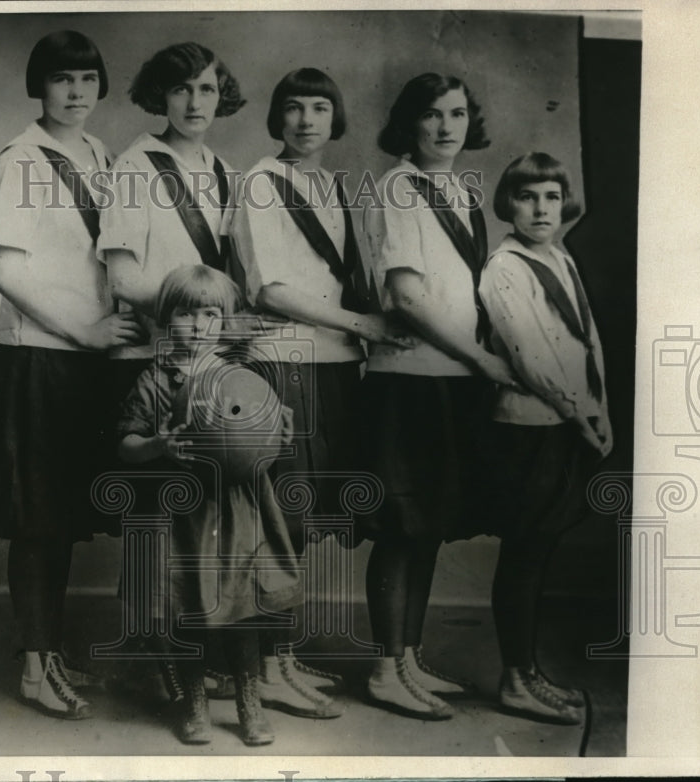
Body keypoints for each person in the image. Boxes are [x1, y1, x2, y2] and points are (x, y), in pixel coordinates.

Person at [0, 30, 143, 720]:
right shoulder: (21, 159)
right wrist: (85, 330)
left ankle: (50, 653)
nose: (77, 93)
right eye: (63, 80)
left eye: (88, 80)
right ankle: (35, 668)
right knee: (38, 522)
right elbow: (5, 271)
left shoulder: (97, 154)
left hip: (84, 365)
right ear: (39, 87)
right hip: (39, 358)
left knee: (62, 518)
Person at [230, 67, 412, 720]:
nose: (307, 121)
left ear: (336, 120)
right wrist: (363, 325)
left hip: (333, 366)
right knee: (279, 520)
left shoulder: (333, 184)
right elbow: (269, 290)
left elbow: (344, 281)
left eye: (319, 109)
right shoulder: (260, 182)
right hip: (284, 363)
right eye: (294, 109)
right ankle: (266, 665)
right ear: (276, 118)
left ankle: (279, 656)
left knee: (302, 522)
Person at [359, 72, 518, 719]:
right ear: (409, 123)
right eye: (432, 115)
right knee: (402, 526)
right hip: (410, 380)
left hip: (448, 379)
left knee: (426, 525)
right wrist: (478, 355)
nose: (447, 127)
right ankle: (383, 668)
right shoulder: (398, 188)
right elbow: (405, 296)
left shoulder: (457, 188)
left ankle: (409, 656)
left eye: (457, 113)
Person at [97, 40, 246, 701]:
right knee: (155, 522)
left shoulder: (222, 169)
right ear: (160, 95)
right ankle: (156, 655)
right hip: (153, 359)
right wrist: (189, 312)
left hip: (206, 359)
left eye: (207, 90)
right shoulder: (134, 166)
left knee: (206, 524)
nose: (194, 103)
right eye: (182, 89)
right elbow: (124, 275)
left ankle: (197, 653)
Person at [117, 264, 301, 746]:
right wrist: (158, 446)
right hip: (178, 517)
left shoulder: (240, 379)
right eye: (185, 313)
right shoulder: (153, 381)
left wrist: (276, 437)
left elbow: (261, 448)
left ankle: (249, 702)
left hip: (234, 514)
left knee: (241, 612)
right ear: (164, 318)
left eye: (211, 314)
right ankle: (194, 703)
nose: (198, 325)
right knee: (188, 612)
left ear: (225, 322)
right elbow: (126, 445)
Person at [479, 152, 612, 725]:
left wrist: (599, 407)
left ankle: (529, 672)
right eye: (527, 198)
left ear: (564, 204)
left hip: (568, 419)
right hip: (530, 426)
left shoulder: (559, 254)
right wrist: (579, 415)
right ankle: (515, 677)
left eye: (551, 198)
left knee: (542, 547)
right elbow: (529, 355)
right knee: (525, 553)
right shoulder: (503, 268)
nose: (540, 209)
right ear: (508, 204)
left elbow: (586, 339)